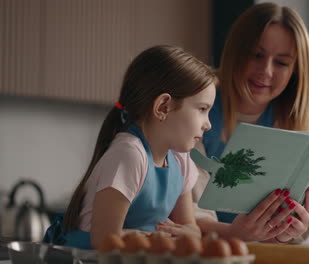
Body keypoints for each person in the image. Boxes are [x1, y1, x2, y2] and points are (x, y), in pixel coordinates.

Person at [158, 2, 309, 244]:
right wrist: (232, 234)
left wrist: (292, 230)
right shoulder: (197, 100)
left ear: (296, 69)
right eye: (256, 55)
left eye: (282, 62)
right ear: (235, 52)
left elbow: (301, 221)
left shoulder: (307, 108)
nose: (266, 71)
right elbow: (182, 212)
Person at [43, 45, 218, 249]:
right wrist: (157, 240)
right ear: (163, 107)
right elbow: (105, 241)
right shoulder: (129, 155)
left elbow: (189, 227)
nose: (208, 124)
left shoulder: (181, 159)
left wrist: (191, 233)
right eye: (202, 109)